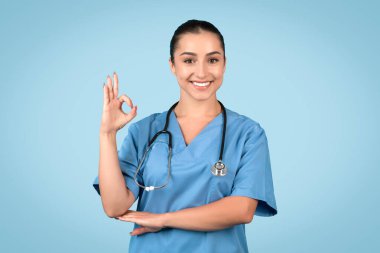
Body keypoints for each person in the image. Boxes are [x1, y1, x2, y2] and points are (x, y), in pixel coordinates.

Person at [92, 19, 277, 253]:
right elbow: (114, 206)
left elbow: (242, 209)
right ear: (172, 65)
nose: (201, 72)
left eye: (212, 60)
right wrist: (107, 134)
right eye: (189, 60)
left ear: (224, 64)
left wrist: (163, 219)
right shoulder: (145, 131)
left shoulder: (248, 134)